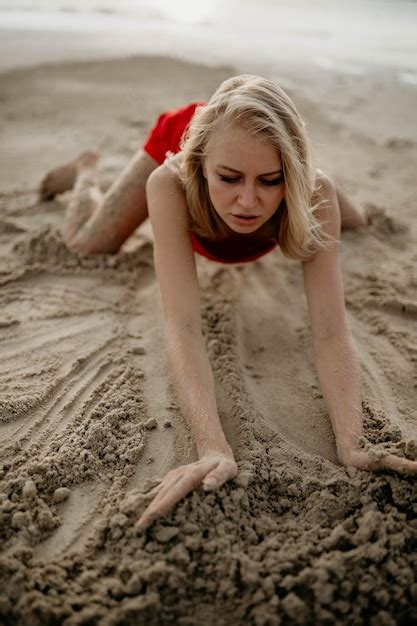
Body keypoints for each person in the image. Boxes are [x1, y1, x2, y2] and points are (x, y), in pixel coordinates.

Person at [39, 74, 417, 531]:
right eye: (229, 180)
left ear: (290, 175)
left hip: (258, 145)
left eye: (271, 182)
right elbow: (183, 327)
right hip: (191, 135)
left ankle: (278, 173)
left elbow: (331, 330)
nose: (248, 201)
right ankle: (86, 170)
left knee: (346, 215)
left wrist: (352, 440)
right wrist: (212, 446)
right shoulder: (171, 182)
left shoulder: (312, 191)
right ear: (200, 167)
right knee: (88, 245)